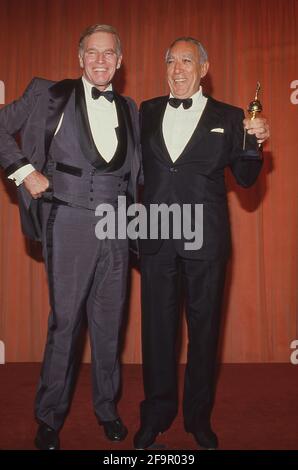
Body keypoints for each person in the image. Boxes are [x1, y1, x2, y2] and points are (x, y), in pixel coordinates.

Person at [0, 24, 140, 450]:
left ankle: (107, 408)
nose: (101, 60)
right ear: (80, 58)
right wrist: (24, 173)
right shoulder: (49, 93)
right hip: (70, 221)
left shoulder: (131, 107)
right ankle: (49, 417)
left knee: (109, 323)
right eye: (92, 53)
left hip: (117, 225)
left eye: (109, 53)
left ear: (119, 60)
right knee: (65, 324)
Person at [134, 37, 269, 450]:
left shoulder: (230, 117)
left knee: (205, 334)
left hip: (206, 243)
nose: (177, 69)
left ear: (203, 69)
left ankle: (198, 418)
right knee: (157, 333)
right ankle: (156, 415)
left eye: (187, 61)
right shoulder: (147, 110)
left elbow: (246, 180)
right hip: (155, 238)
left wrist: (256, 141)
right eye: (171, 61)